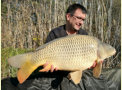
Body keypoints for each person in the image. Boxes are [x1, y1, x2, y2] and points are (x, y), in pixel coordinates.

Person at [1, 3, 120, 90]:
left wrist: (93, 66)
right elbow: (48, 62)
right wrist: (48, 66)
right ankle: (29, 63)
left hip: (74, 73)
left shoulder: (84, 35)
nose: (81, 22)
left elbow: (86, 67)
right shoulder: (55, 33)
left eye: (83, 20)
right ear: (68, 17)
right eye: (78, 18)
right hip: (55, 74)